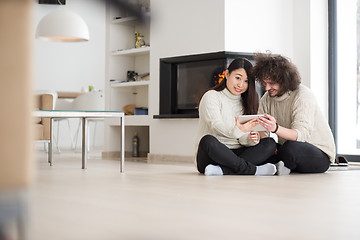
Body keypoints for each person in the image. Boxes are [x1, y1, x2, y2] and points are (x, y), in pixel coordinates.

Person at [252, 52, 336, 174]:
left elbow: (300, 135)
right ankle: (278, 165)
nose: (267, 88)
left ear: (284, 80)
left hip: (318, 153)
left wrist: (275, 128)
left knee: (290, 148)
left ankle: (279, 165)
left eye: (271, 83)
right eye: (265, 83)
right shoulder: (267, 98)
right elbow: (261, 128)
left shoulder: (303, 95)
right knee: (263, 147)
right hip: (287, 147)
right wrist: (267, 144)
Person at [195, 57, 277, 176]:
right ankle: (253, 170)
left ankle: (223, 170)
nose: (240, 84)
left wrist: (251, 139)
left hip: (236, 154)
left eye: (246, 81)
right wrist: (239, 130)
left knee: (269, 143)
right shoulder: (211, 96)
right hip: (213, 155)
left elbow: (241, 139)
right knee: (207, 141)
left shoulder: (247, 102)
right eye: (237, 78)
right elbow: (216, 126)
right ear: (227, 74)